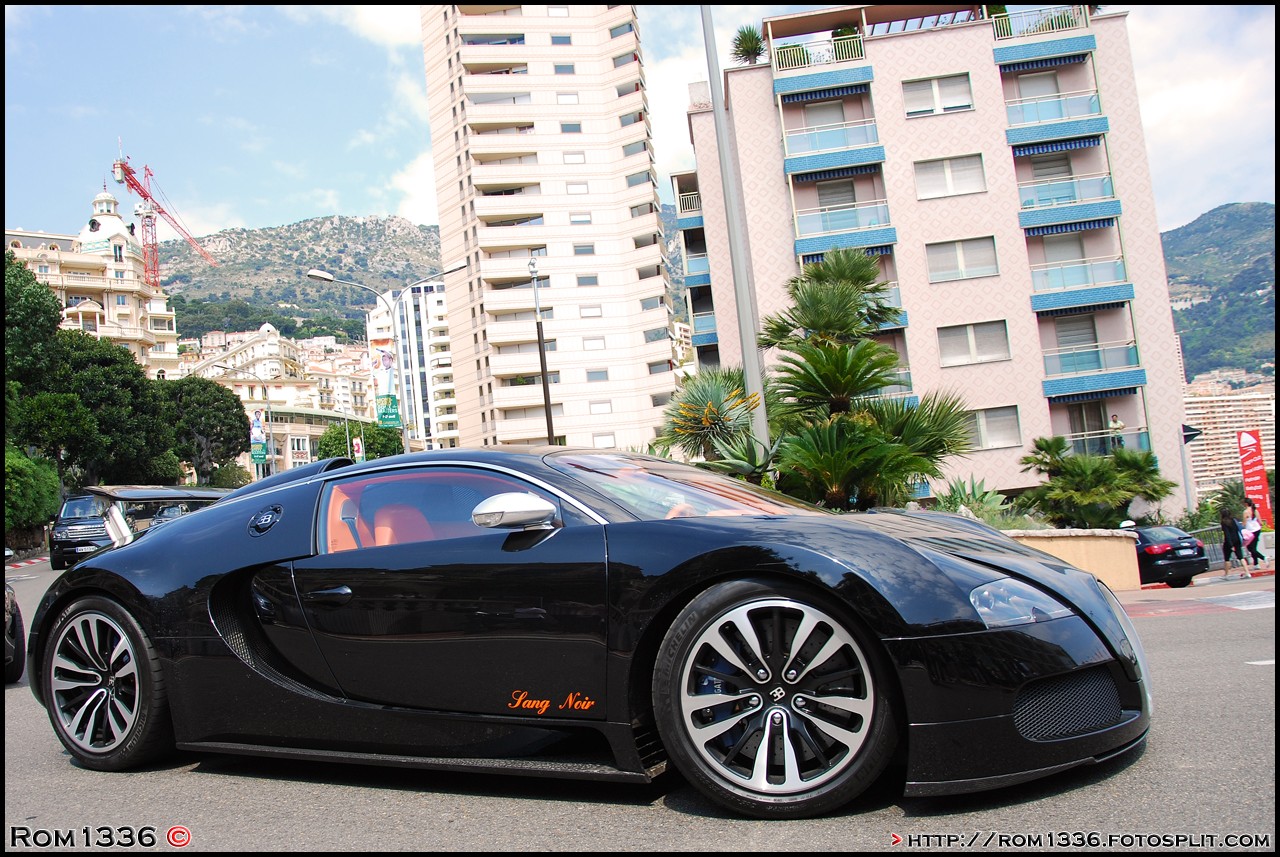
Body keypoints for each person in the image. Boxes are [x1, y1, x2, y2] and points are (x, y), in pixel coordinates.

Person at [1220, 508, 1245, 576]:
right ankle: (1247, 572)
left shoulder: (1224, 522)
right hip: (1237, 540)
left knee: (1227, 558)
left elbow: (1227, 534)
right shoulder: (1233, 520)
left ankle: (1226, 574)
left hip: (1229, 542)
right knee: (1241, 557)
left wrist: (1231, 545)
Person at [1242, 499, 1265, 568]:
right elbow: (1260, 522)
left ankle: (1263, 558)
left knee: (1250, 548)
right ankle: (1256, 564)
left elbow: (1244, 523)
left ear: (1246, 504)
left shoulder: (1245, 512)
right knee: (1253, 547)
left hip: (1250, 531)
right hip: (1257, 529)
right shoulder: (1255, 511)